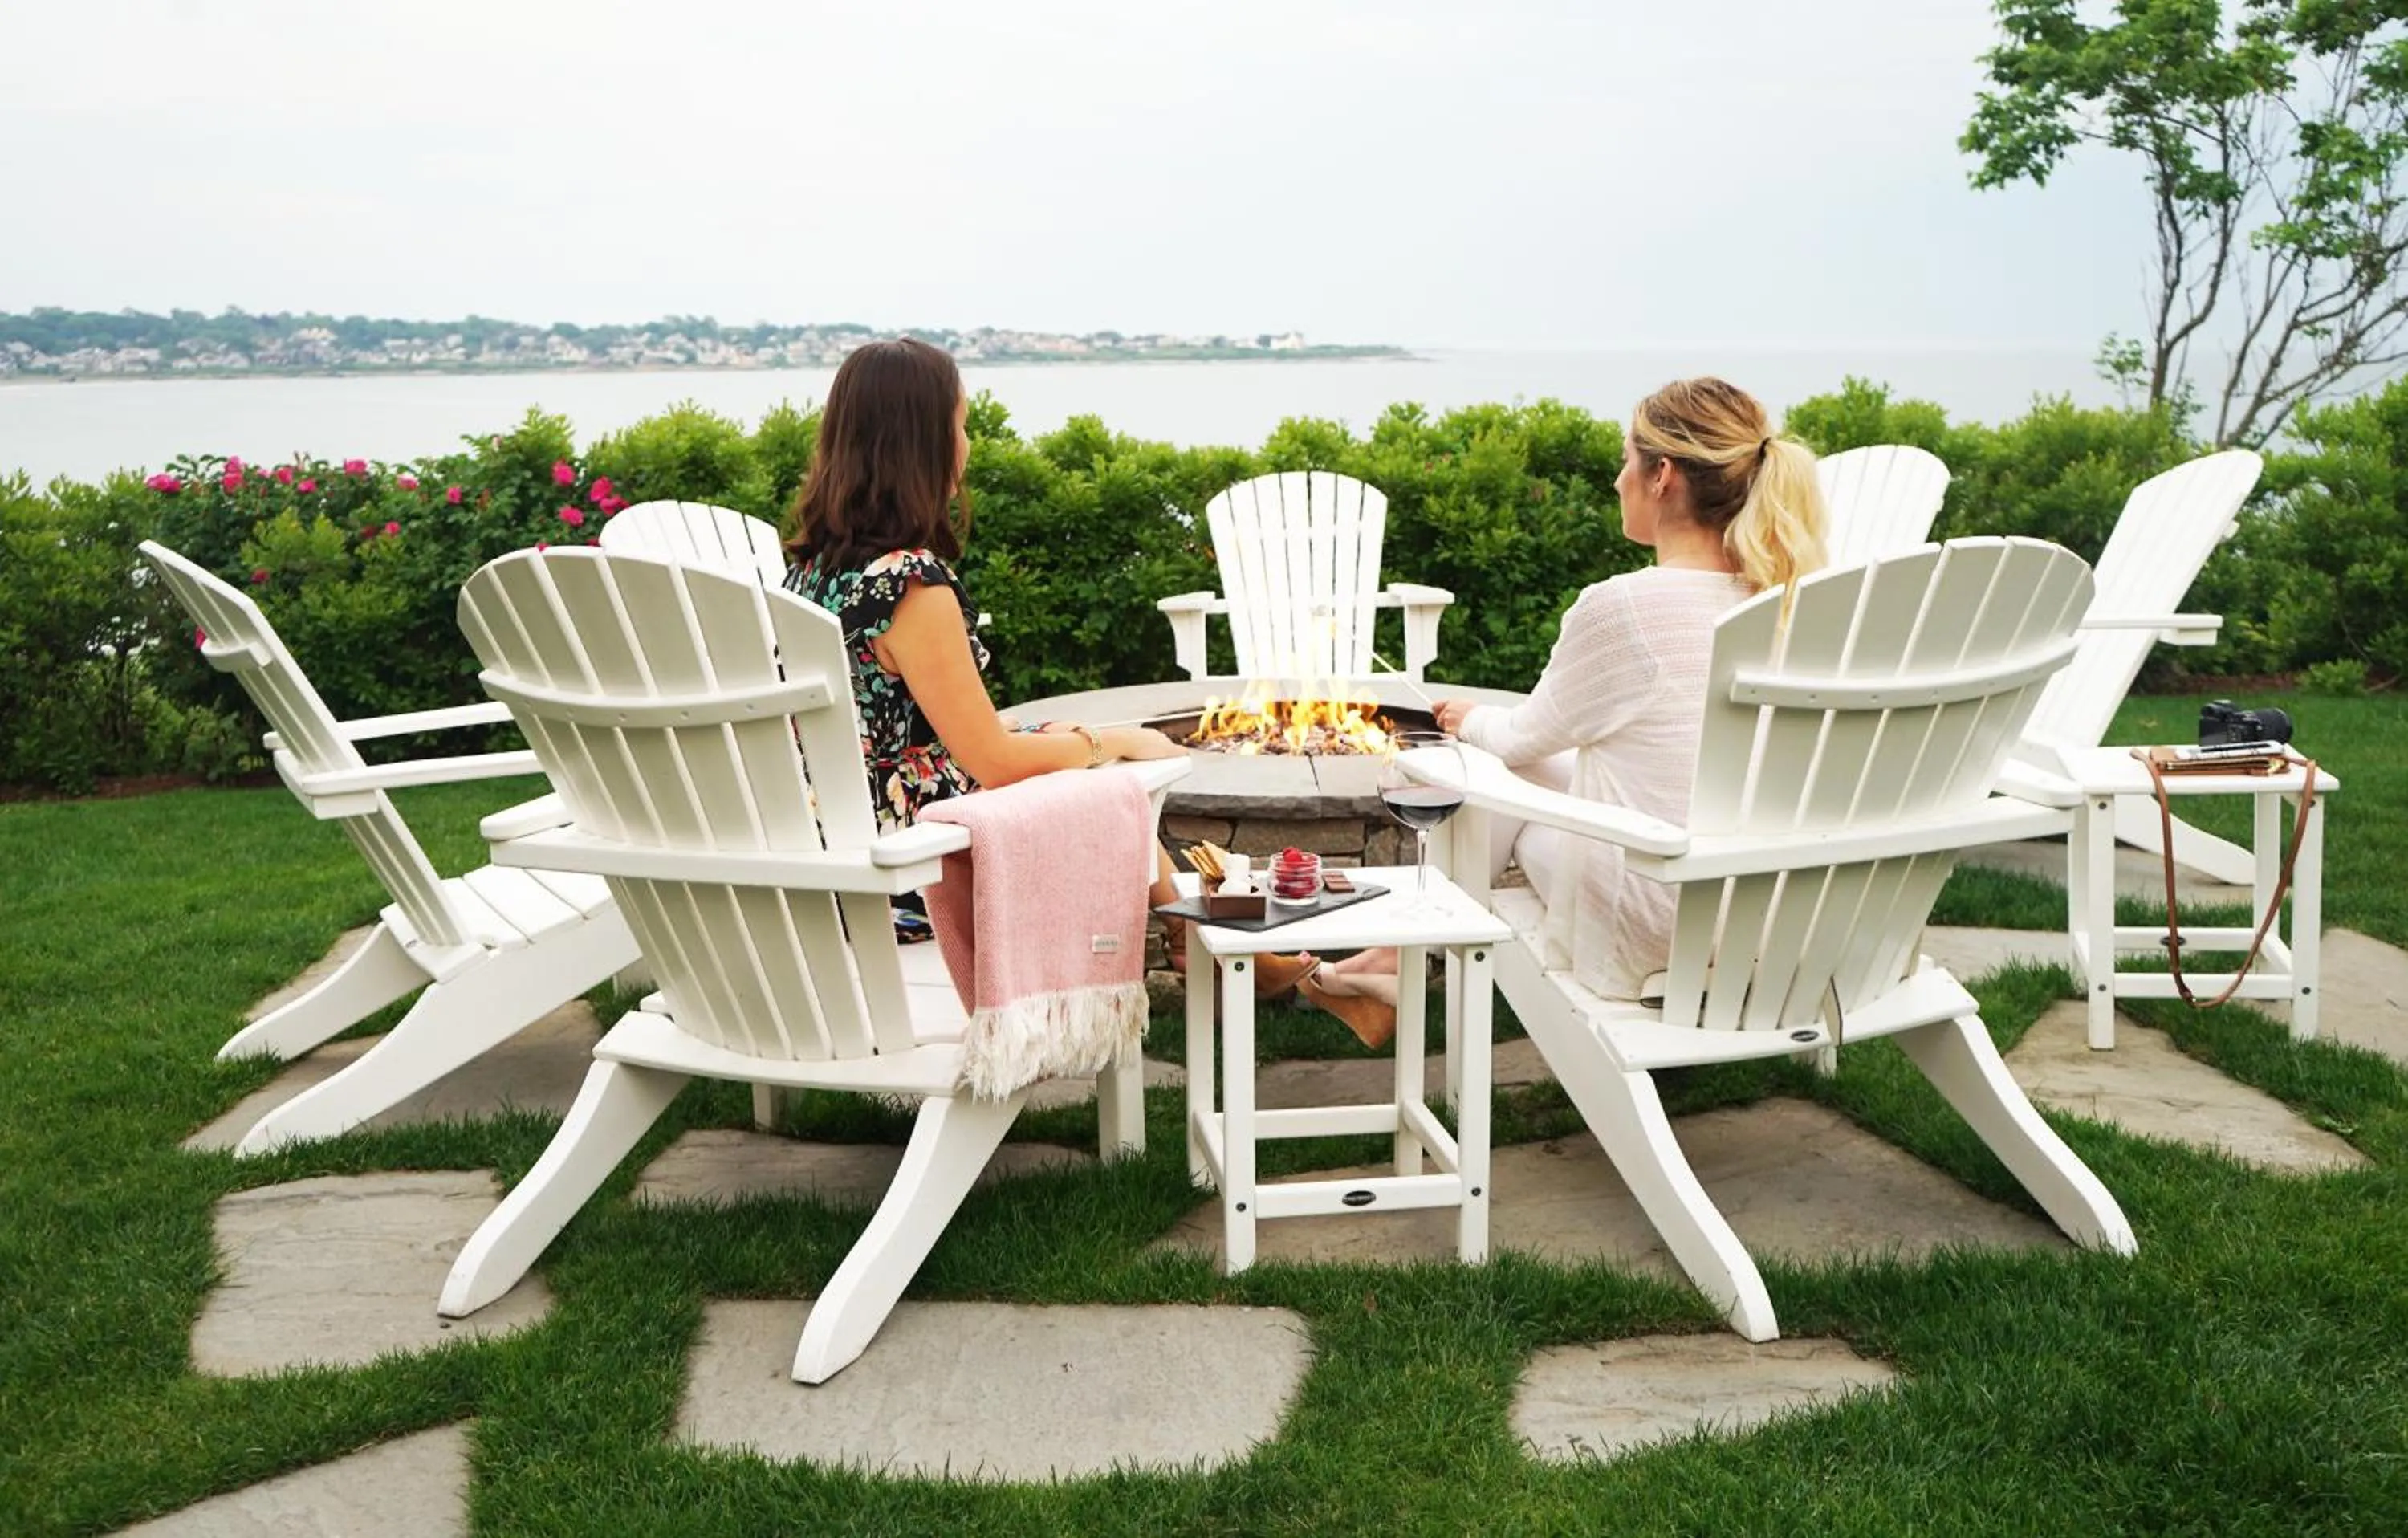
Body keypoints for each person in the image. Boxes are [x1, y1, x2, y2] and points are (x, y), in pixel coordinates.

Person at [1297, 376, 1828, 1047]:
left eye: (1625, 460)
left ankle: (1401, 966)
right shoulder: (1791, 602)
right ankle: (1390, 964)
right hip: (1783, 910)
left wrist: (1466, 720)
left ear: (1661, 474)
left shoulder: (1626, 608)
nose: (1616, 480)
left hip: (1667, 917)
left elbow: (1524, 738)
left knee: (1488, 771)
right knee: (1516, 761)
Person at [782, 337, 1315, 995]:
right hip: (909, 871)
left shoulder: (810, 573)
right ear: (921, 442)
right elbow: (992, 765)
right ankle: (1199, 940)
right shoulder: (910, 587)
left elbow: (918, 736)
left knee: (1071, 748)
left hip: (831, 853)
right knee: (1111, 775)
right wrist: (1109, 740)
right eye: (961, 424)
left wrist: (1065, 741)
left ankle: (1194, 936)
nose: (967, 443)